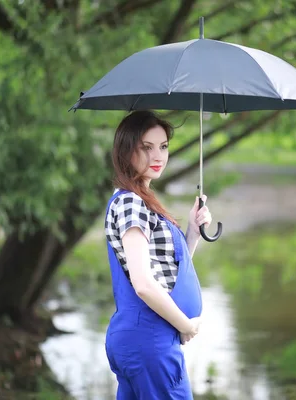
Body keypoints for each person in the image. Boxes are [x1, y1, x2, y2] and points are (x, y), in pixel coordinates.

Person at [103, 110, 212, 399]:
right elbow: (143, 283)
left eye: (163, 147)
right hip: (150, 339)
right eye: (146, 147)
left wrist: (193, 231)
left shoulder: (140, 200)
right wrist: (184, 324)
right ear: (127, 150)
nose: (158, 156)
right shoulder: (131, 204)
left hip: (142, 340)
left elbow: (166, 271)